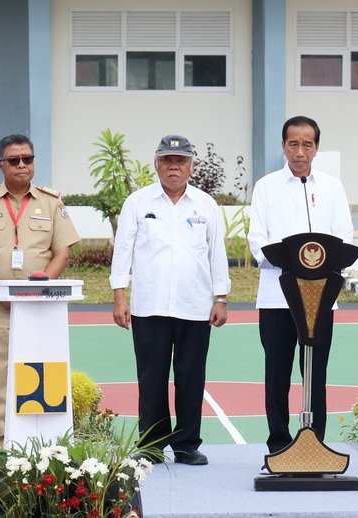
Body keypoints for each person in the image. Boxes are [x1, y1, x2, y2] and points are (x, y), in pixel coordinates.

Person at [110, 135, 230, 466]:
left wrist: (221, 297)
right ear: (156, 164)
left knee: (191, 378)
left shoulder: (205, 204)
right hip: (149, 306)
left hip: (195, 305)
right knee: (151, 378)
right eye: (167, 160)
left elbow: (217, 253)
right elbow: (123, 251)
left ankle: (187, 444)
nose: (173, 166)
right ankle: (151, 443)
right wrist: (119, 295)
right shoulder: (137, 202)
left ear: (191, 165)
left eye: (180, 160)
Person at [0, 134, 80, 448]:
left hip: (40, 306)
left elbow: (62, 252)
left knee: (43, 368)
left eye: (28, 159)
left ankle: (46, 443)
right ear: (1, 165)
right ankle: (2, 443)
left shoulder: (52, 203)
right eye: (14, 160)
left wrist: (40, 289)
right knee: (0, 374)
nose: (22, 165)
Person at [247, 115, 355, 454]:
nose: (300, 151)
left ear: (317, 147)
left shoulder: (332, 187)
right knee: (277, 374)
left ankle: (315, 442)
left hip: (320, 298)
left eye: (307, 144)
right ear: (283, 146)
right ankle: (279, 442)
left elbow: (345, 237)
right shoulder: (266, 187)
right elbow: (257, 241)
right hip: (277, 298)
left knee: (315, 373)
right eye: (293, 143)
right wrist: (290, 259)